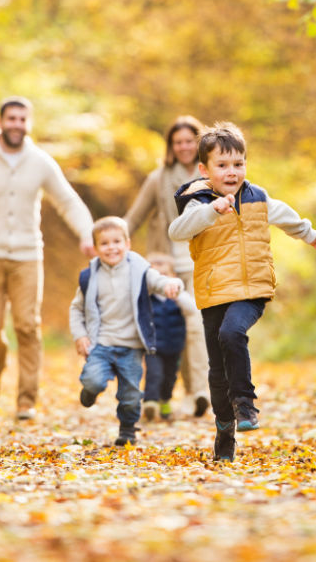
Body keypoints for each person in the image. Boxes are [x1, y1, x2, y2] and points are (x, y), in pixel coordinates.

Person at [168, 122, 316, 462]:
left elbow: (285, 215)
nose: (232, 172)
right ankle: (225, 427)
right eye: (222, 165)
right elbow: (177, 231)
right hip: (214, 292)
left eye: (238, 164)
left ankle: (245, 404)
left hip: (252, 289)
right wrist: (210, 211)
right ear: (204, 170)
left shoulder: (257, 198)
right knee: (216, 369)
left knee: (232, 333)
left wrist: (308, 233)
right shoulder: (198, 202)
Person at [0, 96, 96, 422]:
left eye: (22, 119)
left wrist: (87, 234)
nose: (16, 124)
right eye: (11, 118)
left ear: (29, 124)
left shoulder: (40, 162)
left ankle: (26, 400)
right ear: (0, 121)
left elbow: (68, 201)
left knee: (27, 325)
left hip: (28, 256)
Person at [70, 217, 183, 447]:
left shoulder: (140, 271)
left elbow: (159, 281)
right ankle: (90, 391)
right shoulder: (89, 277)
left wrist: (173, 285)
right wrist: (80, 335)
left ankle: (128, 429)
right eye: (104, 243)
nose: (111, 247)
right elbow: (76, 308)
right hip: (101, 343)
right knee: (93, 380)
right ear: (95, 248)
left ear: (127, 244)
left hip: (131, 346)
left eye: (117, 242)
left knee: (130, 394)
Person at [124, 115, 210, 417]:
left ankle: (199, 392)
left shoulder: (212, 176)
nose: (184, 147)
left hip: (201, 263)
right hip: (166, 267)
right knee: (169, 331)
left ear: (199, 143)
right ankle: (164, 394)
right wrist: (110, 243)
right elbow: (134, 217)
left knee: (196, 326)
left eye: (189, 141)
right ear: (171, 146)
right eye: (178, 142)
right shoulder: (158, 178)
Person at [141, 253, 191, 423]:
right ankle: (150, 402)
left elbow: (192, 310)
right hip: (153, 347)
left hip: (175, 346)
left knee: (170, 377)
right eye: (157, 276)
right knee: (154, 374)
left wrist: (177, 294)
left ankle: (165, 400)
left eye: (165, 275)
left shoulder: (179, 298)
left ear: (173, 276)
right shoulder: (147, 298)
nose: (161, 281)